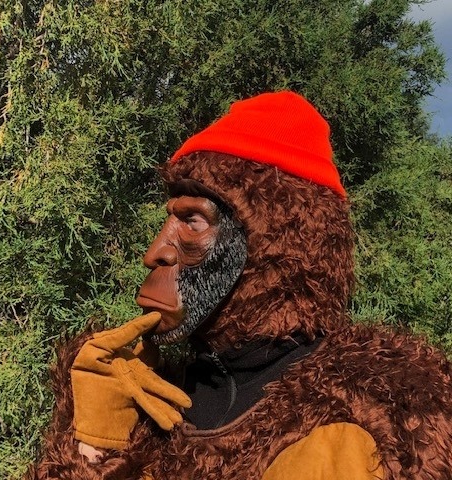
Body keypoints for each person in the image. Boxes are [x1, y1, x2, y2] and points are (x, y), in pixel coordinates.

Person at [28, 92, 452, 480]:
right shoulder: (149, 406)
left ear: (273, 243)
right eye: (169, 217)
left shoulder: (385, 415)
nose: (155, 252)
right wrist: (93, 445)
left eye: (192, 221)